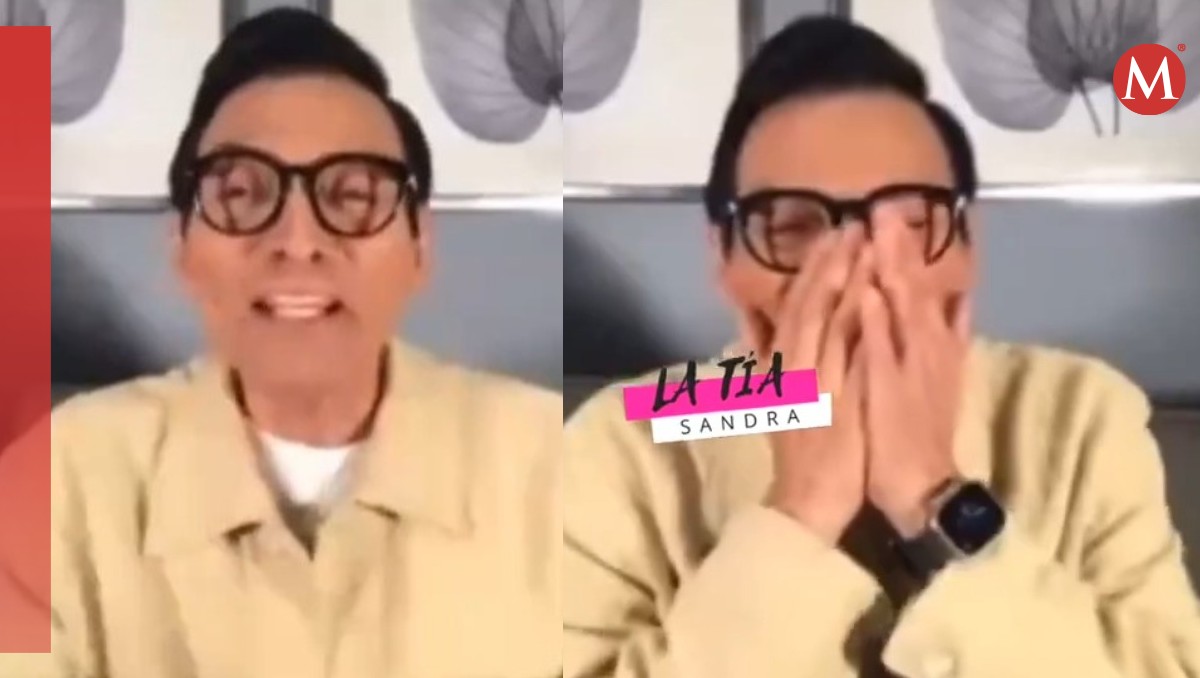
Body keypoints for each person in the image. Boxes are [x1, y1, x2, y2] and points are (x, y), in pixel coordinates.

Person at [563, 16, 1200, 678]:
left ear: (965, 247)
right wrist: (800, 508)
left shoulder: (1079, 412)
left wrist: (936, 494)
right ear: (725, 258)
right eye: (792, 226)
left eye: (909, 220)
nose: (857, 271)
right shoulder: (631, 436)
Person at [0, 9, 561, 678]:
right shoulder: (55, 477)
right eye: (242, 193)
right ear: (181, 247)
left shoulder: (542, 447)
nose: (298, 241)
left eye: (353, 195)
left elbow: (653, 411)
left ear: (420, 246)